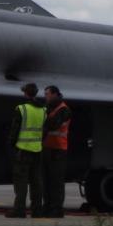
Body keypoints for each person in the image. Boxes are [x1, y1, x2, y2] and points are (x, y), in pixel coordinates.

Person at [6, 82, 45, 218]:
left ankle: (19, 210)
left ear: (26, 93)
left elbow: (14, 130)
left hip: (23, 151)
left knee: (21, 182)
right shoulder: (43, 110)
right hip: (37, 150)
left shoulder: (22, 109)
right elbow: (44, 130)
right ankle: (37, 210)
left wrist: (11, 145)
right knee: (36, 182)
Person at [41, 85, 71, 217]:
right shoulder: (49, 108)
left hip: (58, 150)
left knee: (56, 181)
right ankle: (47, 206)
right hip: (48, 148)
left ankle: (57, 209)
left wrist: (44, 121)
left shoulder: (63, 110)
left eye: (47, 94)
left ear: (54, 94)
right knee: (46, 180)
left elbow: (52, 124)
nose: (45, 96)